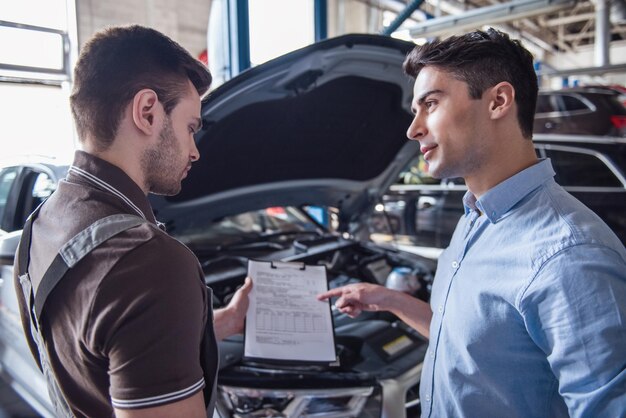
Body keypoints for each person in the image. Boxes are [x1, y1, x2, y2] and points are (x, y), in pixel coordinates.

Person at [319, 28, 626, 417]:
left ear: (498, 101)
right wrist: (388, 301)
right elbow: (474, 345)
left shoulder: (569, 256)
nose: (413, 129)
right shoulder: (476, 219)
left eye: (430, 103)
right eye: (416, 110)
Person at [13, 25, 251, 418]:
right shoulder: (149, 263)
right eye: (191, 128)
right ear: (147, 112)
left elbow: (107, 350)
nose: (195, 152)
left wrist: (222, 322)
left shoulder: (43, 223)